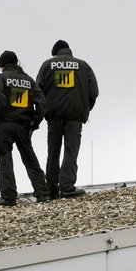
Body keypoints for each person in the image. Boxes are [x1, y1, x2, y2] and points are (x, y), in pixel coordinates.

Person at [36, 39, 98, 198]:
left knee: (53, 152)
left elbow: (37, 91)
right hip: (74, 117)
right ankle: (67, 186)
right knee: (71, 151)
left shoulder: (47, 65)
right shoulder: (83, 66)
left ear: (55, 54)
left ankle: (51, 188)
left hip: (54, 117)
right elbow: (94, 92)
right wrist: (85, 110)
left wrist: (45, 112)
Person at [0, 50, 48, 206]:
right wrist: (34, 121)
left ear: (2, 65)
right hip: (23, 125)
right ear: (17, 63)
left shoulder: (1, 78)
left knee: (5, 161)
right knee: (30, 159)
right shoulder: (28, 80)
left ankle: (9, 198)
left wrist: (1, 113)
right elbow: (42, 103)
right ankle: (42, 192)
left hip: (5, 125)